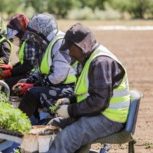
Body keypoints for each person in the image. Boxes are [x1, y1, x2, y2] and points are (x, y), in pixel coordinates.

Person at [47, 23, 130, 153]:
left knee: (66, 137)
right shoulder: (89, 59)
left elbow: (99, 101)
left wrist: (70, 110)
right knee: (54, 126)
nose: (69, 52)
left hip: (109, 118)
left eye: (71, 48)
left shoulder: (100, 62)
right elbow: (89, 92)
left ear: (83, 46)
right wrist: (70, 100)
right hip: (98, 112)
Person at [13, 13, 77, 121]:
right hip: (58, 85)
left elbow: (59, 76)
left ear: (45, 30)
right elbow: (41, 69)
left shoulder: (60, 43)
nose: (35, 37)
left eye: (36, 33)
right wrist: (29, 80)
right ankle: (35, 122)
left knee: (32, 93)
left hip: (69, 88)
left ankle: (16, 125)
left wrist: (32, 85)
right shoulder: (47, 44)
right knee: (23, 84)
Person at [0, 13, 38, 95]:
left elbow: (28, 65)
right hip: (28, 71)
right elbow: (25, 61)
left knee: (8, 83)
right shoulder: (24, 40)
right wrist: (12, 67)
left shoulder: (29, 41)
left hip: (33, 74)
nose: (16, 36)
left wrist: (11, 72)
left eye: (17, 34)